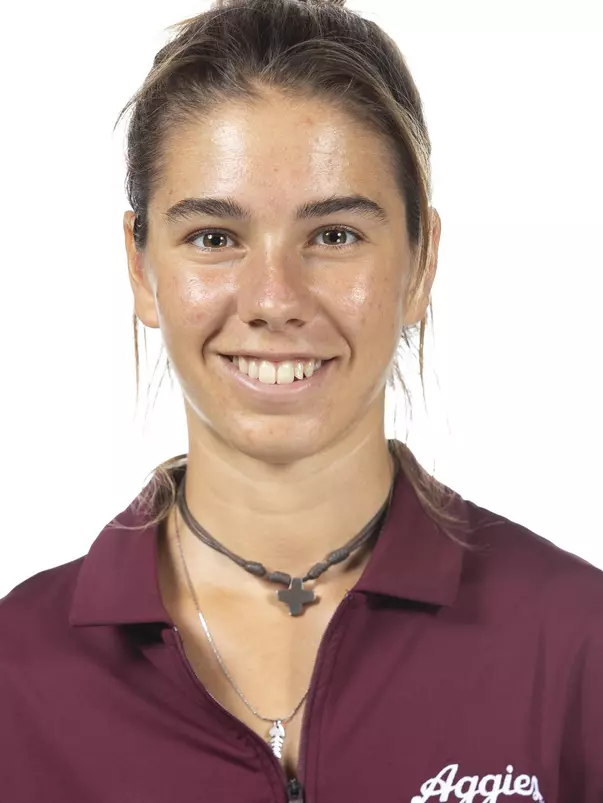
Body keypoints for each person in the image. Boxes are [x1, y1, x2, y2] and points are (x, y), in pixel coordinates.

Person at [1, 0, 601, 801]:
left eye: (334, 235)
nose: (274, 298)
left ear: (420, 264)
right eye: (214, 238)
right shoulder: (16, 668)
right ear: (142, 269)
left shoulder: (574, 641)